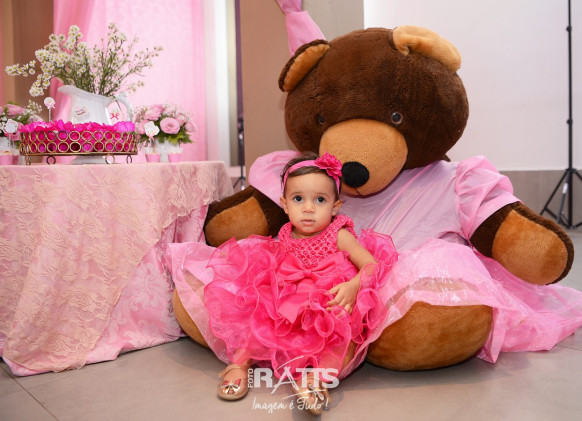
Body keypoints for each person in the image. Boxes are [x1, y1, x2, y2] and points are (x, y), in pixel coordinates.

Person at [170, 152, 397, 415]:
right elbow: (279, 265)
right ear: (285, 205)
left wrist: (354, 285)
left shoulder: (339, 235)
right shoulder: (286, 233)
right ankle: (239, 364)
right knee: (258, 315)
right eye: (298, 199)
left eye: (320, 200)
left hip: (327, 302)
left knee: (345, 338)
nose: (308, 208)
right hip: (289, 300)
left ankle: (315, 378)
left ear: (335, 207)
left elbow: (371, 264)